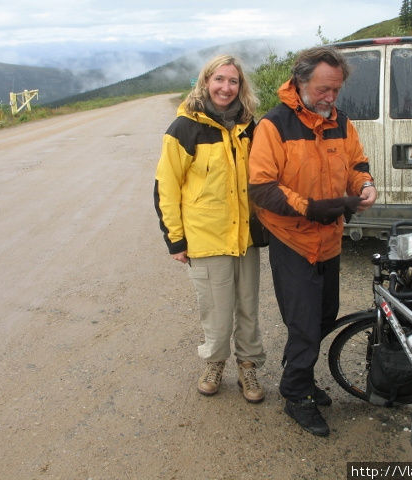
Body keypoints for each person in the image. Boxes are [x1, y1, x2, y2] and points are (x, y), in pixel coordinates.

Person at [248, 46, 377, 436]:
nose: (330, 98)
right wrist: (311, 208)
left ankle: (299, 376)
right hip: (294, 241)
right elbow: (261, 187)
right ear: (301, 82)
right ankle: (296, 395)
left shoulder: (341, 122)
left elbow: (356, 164)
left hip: (330, 240)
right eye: (323, 90)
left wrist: (365, 185)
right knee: (304, 323)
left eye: (335, 90)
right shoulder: (274, 125)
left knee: (323, 315)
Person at [154, 55, 266, 403]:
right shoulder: (184, 128)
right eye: (219, 80)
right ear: (205, 82)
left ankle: (248, 367)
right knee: (216, 311)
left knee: (248, 307)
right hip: (206, 238)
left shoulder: (251, 126)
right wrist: (176, 239)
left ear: (240, 87)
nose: (226, 88)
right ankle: (214, 363)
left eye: (233, 81)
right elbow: (166, 188)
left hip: (244, 237)